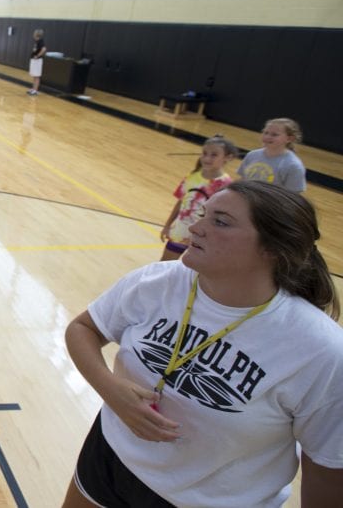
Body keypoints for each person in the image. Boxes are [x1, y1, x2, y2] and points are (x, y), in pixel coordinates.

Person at [63, 181, 342, 507]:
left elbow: (326, 466)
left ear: (273, 249)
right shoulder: (156, 281)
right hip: (108, 459)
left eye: (220, 222)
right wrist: (110, 389)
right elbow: (83, 328)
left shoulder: (321, 350)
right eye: (204, 214)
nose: (195, 227)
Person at [159, 135, 237, 261]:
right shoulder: (192, 177)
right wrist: (167, 225)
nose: (207, 158)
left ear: (228, 157)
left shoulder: (226, 184)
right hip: (180, 232)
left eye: (214, 155)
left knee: (194, 274)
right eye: (204, 153)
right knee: (164, 267)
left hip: (204, 238)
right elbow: (180, 203)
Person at [238, 117, 306, 193]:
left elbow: (293, 196)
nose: (267, 137)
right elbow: (243, 180)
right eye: (266, 132)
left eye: (274, 134)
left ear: (289, 139)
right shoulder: (252, 155)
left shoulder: (293, 165)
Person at [28, 29, 46, 95]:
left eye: (34, 33)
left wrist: (37, 56)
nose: (33, 34)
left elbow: (44, 49)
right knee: (34, 75)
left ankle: (35, 90)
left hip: (37, 60)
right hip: (34, 60)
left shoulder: (40, 41)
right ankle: (33, 88)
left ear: (36, 34)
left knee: (37, 76)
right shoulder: (37, 41)